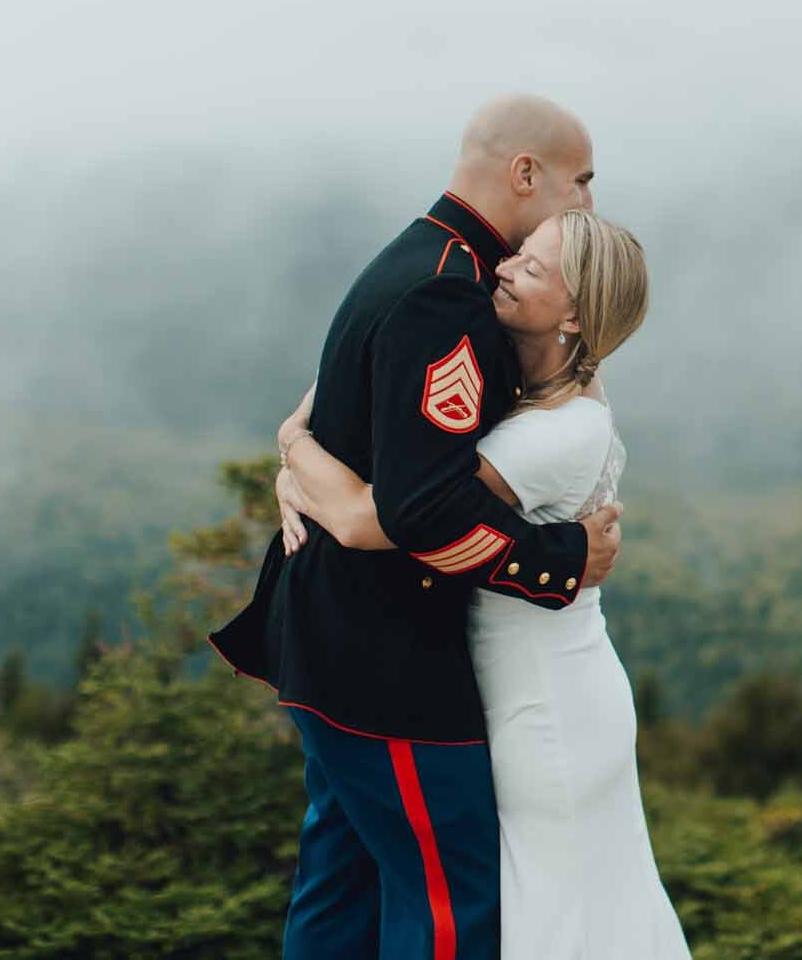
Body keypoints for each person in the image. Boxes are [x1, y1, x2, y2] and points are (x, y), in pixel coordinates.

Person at [209, 94, 625, 959]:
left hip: (329, 643)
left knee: (342, 886)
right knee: (448, 901)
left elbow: (338, 421)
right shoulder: (450, 293)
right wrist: (563, 558)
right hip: (383, 655)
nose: (586, 201)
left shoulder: (415, 256)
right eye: (579, 182)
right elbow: (423, 508)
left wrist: (293, 448)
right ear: (525, 174)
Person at [278, 207, 689, 960]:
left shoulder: (555, 432)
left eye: (531, 268)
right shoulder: (517, 379)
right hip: (518, 683)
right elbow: (363, 395)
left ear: (573, 312)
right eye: (519, 252)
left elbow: (381, 518)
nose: (501, 267)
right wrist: (298, 453)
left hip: (546, 705)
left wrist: (293, 442)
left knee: (552, 917)